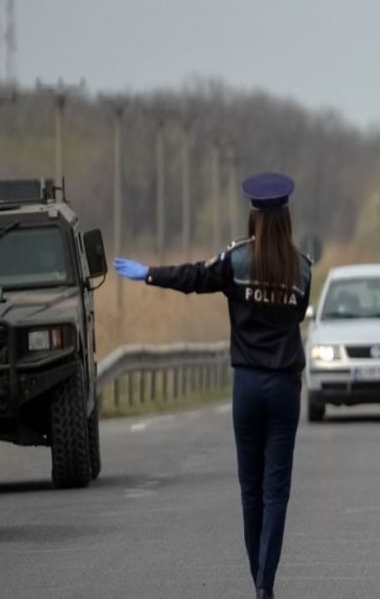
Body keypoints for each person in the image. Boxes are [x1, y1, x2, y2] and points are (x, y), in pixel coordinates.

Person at [113, 172, 312, 599]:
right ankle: (265, 584)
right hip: (283, 388)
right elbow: (298, 317)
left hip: (246, 385)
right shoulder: (303, 268)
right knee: (277, 490)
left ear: (254, 218)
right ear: (287, 218)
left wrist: (149, 274)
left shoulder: (235, 261)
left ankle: (257, 581)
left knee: (250, 488)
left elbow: (192, 278)